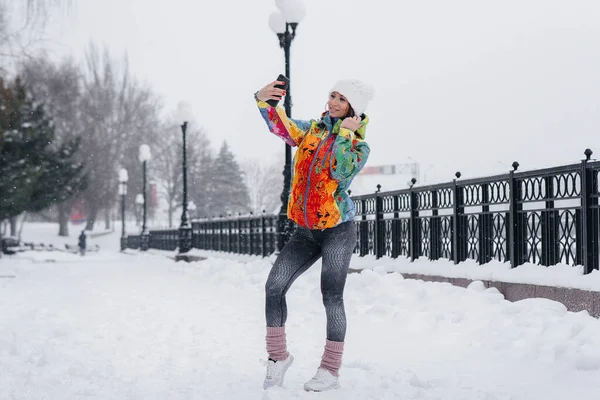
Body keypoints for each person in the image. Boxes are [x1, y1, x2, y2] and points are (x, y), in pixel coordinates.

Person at [254, 78, 374, 391]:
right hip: (305, 231)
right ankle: (278, 357)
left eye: (342, 99)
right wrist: (266, 103)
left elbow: (339, 169)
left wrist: (346, 133)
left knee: (331, 296)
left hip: (338, 230)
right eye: (333, 95)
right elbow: (284, 128)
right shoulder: (311, 130)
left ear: (353, 109)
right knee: (274, 285)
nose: (334, 102)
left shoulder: (359, 146)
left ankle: (330, 370)